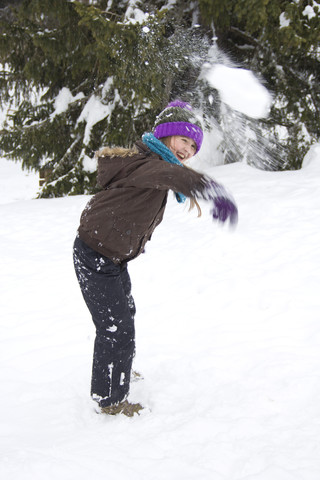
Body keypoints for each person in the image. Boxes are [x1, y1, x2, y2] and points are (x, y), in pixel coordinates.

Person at [73, 100, 238, 417]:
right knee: (115, 327)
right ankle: (110, 400)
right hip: (96, 255)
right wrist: (211, 190)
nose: (188, 149)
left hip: (110, 257)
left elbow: (171, 177)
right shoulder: (150, 165)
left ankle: (119, 367)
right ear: (165, 136)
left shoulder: (153, 165)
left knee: (124, 316)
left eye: (193, 146)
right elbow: (174, 176)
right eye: (183, 140)